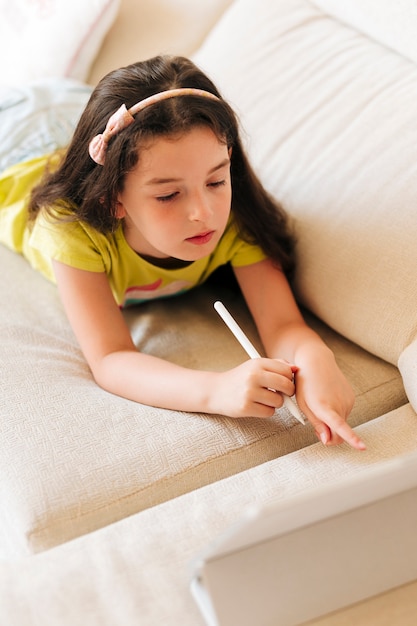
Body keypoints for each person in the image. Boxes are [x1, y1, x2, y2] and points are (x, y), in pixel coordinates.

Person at [0, 55, 365, 450]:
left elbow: (283, 326)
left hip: (74, 111)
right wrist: (217, 390)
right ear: (113, 199)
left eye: (216, 180)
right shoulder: (72, 229)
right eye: (168, 194)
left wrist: (315, 361)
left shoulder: (236, 216)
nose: (203, 214)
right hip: (14, 144)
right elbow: (111, 359)